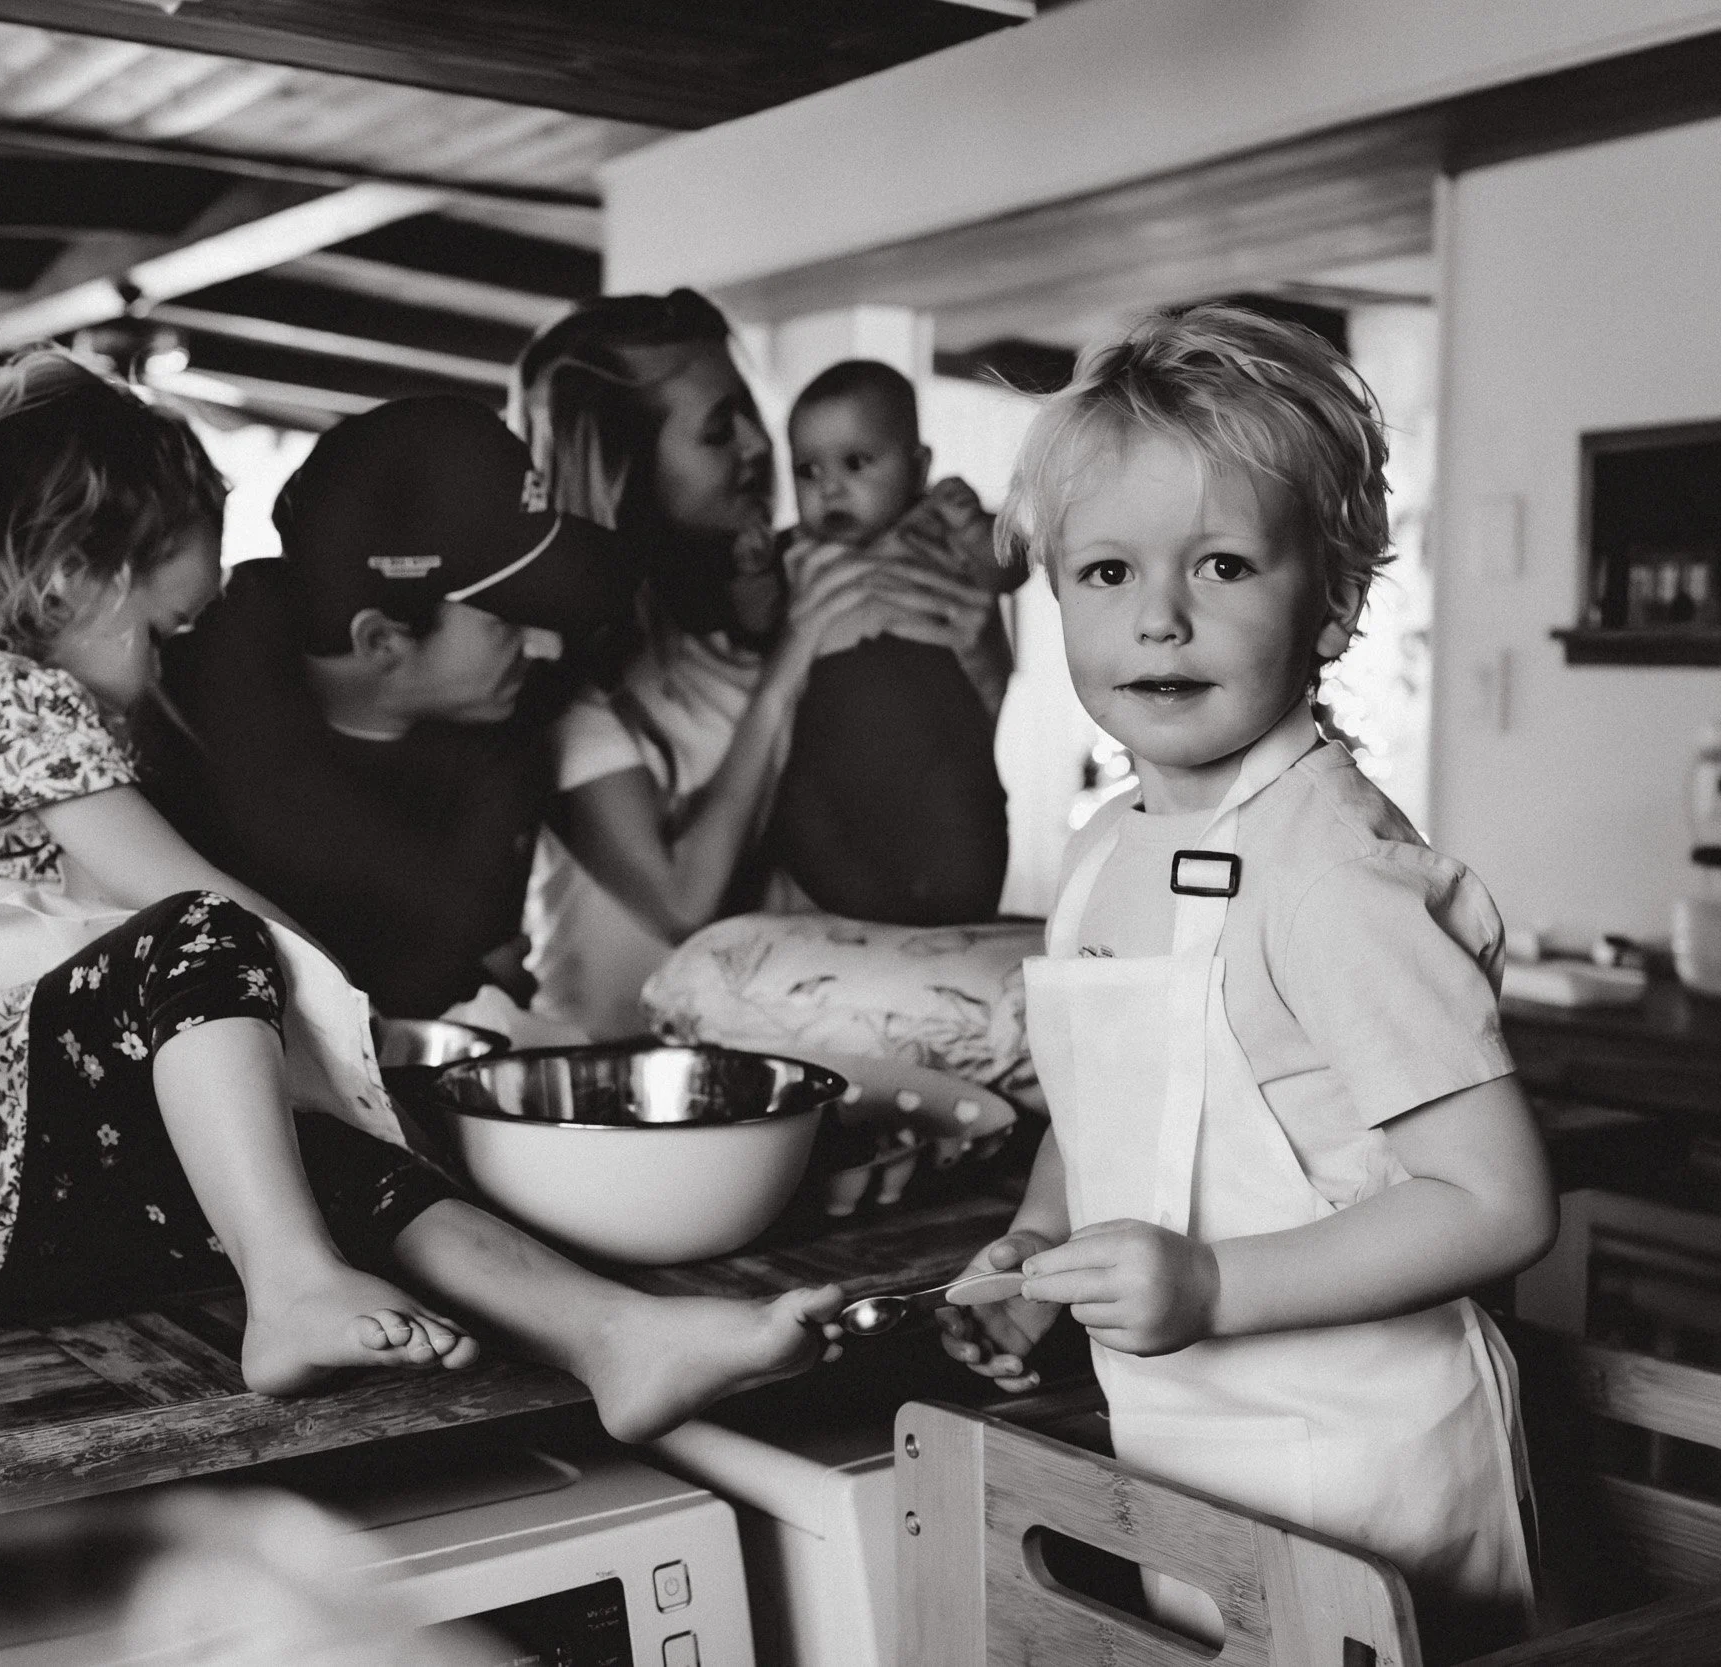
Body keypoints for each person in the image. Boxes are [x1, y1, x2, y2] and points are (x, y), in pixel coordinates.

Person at [0, 353, 842, 1439]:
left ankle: (611, 1333)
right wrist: (355, 1031)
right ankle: (288, 1287)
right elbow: (188, 906)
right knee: (213, 941)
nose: (165, 666)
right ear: (66, 579)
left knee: (317, 1155)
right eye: (163, 630)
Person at [938, 305, 1553, 1661]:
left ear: (1329, 598)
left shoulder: (1331, 872)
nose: (1159, 614)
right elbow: (1104, 1112)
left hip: (1365, 1473)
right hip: (1191, 1463)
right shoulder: (1105, 854)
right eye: (1105, 570)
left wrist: (1208, 1287)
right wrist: (1042, 1247)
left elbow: (1499, 1201)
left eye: (1221, 562)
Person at [513, 292, 1007, 1039]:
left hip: (785, 1052)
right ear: (627, 467)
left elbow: (914, 766)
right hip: (614, 1077)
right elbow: (682, 900)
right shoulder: (570, 681)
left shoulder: (775, 594)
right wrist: (789, 663)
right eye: (718, 430)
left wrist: (980, 654)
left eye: (750, 412)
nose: (756, 444)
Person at [142, 396, 633, 1026]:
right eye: (507, 620)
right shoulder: (176, 690)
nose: (546, 645)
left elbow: (471, 974)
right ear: (380, 641)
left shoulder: (507, 719)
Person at [759, 359, 1012, 926]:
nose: (829, 488)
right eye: (806, 470)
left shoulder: (937, 531)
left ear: (919, 467)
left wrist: (973, 525)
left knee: (962, 869)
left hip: (944, 763)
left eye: (856, 463)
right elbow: (748, 614)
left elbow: (1008, 569)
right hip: (829, 773)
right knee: (810, 830)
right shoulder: (797, 553)